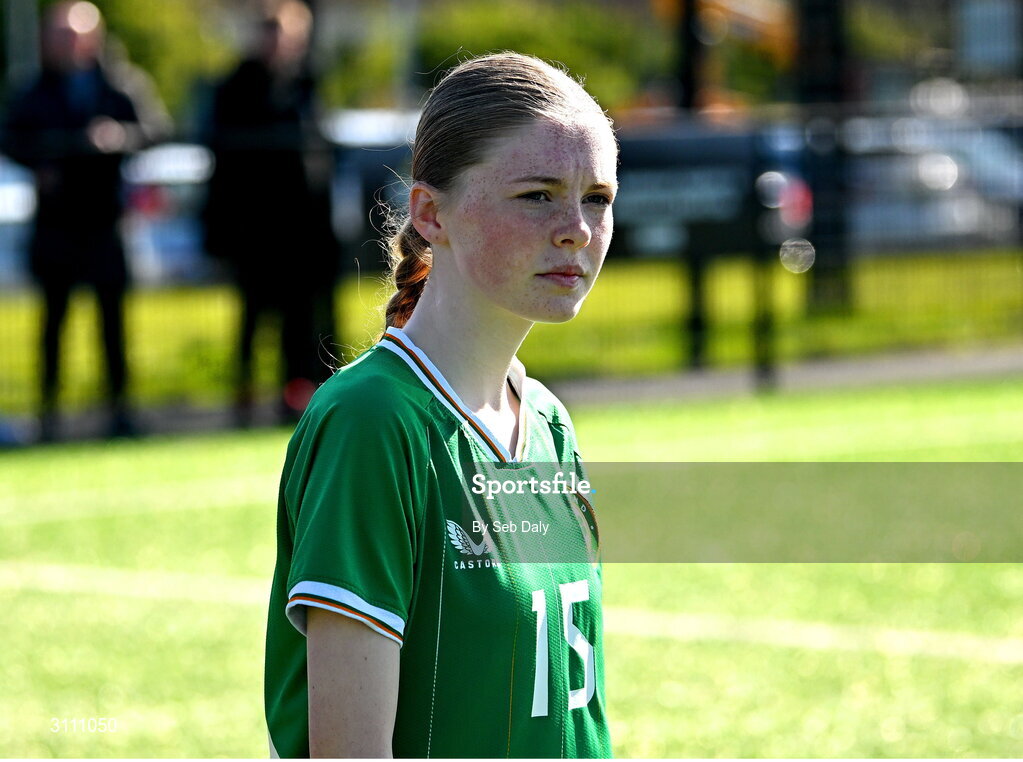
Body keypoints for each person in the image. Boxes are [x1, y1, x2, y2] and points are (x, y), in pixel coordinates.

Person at [264, 52, 618, 758]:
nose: (576, 227)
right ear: (431, 214)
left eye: (598, 197)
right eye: (537, 195)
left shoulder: (545, 420)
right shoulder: (373, 422)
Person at [1, 1, 168, 441]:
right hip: (56, 224)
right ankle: (48, 413)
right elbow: (11, 137)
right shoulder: (33, 88)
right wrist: (43, 163)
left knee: (112, 322)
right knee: (53, 324)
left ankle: (120, 410)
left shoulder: (119, 84)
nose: (67, 44)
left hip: (104, 221)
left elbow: (154, 128)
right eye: (59, 35)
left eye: (74, 35)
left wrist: (118, 137)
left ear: (93, 37)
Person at [202, 0, 339, 426]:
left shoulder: (307, 84)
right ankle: (243, 395)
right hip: (254, 225)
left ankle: (295, 391)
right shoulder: (235, 87)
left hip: (302, 225)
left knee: (301, 317)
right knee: (252, 314)